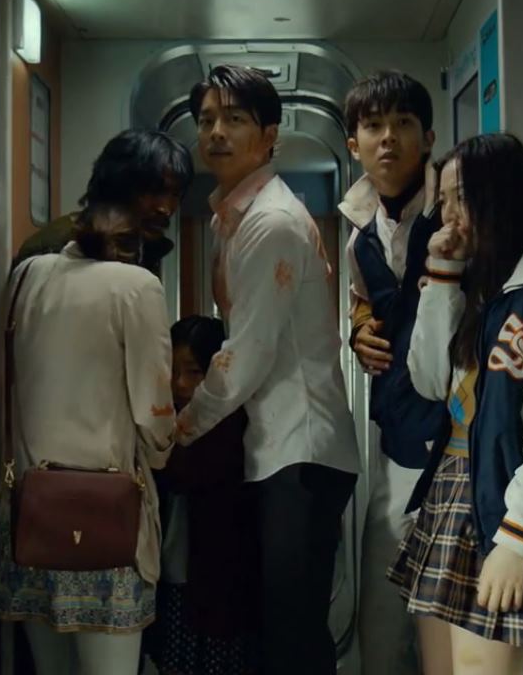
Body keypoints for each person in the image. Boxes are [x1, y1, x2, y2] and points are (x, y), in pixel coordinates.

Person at [387, 133, 523, 675]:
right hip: (454, 485)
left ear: (499, 195)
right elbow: (430, 381)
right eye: (443, 201)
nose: (448, 216)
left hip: (506, 498)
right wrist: (442, 276)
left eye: (460, 197)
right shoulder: (480, 278)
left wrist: (518, 537)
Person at [174, 64, 360, 674]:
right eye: (206, 120)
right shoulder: (230, 217)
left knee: (292, 633)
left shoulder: (270, 222)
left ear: (269, 135)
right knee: (275, 627)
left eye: (234, 119)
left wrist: (180, 429)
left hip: (299, 447)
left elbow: (246, 354)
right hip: (277, 446)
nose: (216, 132)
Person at [0, 197, 176, 675]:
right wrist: (165, 449)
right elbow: (153, 411)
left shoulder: (26, 276)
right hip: (106, 512)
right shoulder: (136, 287)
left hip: (32, 509)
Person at [337, 70, 441, 675]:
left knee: (446, 620)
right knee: (382, 614)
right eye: (374, 126)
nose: (389, 138)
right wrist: (358, 328)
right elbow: (367, 302)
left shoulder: (458, 211)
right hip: (397, 433)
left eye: (404, 123)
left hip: (457, 435)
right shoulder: (360, 235)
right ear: (354, 145)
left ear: (427, 138)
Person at [146, 315, 258, 675]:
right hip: (174, 578)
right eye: (172, 371)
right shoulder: (164, 419)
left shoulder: (231, 424)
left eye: (193, 372)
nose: (180, 383)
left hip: (217, 582)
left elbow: (189, 473)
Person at [11, 128, 192, 276]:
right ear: (118, 184)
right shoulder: (54, 248)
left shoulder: (145, 249)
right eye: (154, 191)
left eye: (175, 195)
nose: (166, 208)